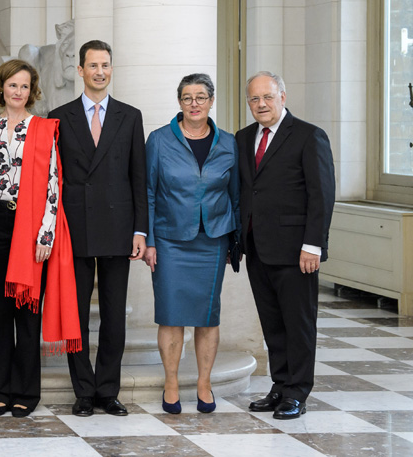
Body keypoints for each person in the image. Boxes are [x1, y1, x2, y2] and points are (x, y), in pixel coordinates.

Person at [49, 39, 147, 417]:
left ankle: (108, 390)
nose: (100, 72)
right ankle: (83, 391)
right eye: (93, 66)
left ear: (111, 68)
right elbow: (52, 180)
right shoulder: (59, 116)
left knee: (113, 315)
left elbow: (138, 178)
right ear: (80, 70)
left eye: (105, 65)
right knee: (75, 316)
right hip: (73, 230)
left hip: (118, 229)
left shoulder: (130, 116)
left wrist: (140, 230)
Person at [0, 59, 81, 418]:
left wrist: (46, 233)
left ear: (31, 91)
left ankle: (26, 391)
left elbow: (55, 182)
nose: (18, 92)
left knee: (26, 315)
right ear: (1, 88)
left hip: (30, 227)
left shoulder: (43, 128)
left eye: (24, 86)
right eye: (12, 85)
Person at [238, 71, 334, 420]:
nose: (261, 104)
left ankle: (297, 391)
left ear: (282, 96)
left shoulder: (309, 136)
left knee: (299, 323)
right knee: (272, 322)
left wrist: (314, 245)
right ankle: (279, 385)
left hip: (297, 251)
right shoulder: (244, 137)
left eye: (267, 97)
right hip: (258, 248)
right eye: (254, 99)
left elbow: (321, 195)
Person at [142, 73, 240, 414]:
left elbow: (236, 196)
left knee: (207, 317)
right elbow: (148, 193)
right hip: (169, 241)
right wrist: (149, 241)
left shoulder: (229, 143)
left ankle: (204, 382)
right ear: (179, 102)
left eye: (201, 97)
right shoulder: (158, 140)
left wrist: (235, 242)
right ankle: (171, 382)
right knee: (170, 316)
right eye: (187, 97)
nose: (194, 103)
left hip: (212, 241)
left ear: (212, 101)